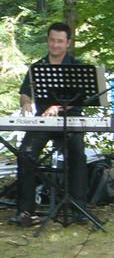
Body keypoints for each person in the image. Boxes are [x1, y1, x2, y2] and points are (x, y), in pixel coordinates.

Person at [15, 22, 88, 226]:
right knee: (25, 153)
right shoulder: (38, 67)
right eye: (52, 40)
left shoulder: (77, 67)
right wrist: (26, 101)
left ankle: (78, 207)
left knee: (77, 153)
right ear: (47, 41)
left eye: (60, 41)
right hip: (44, 122)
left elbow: (81, 99)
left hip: (70, 120)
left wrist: (58, 106)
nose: (55, 45)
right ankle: (26, 211)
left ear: (68, 43)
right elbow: (24, 92)